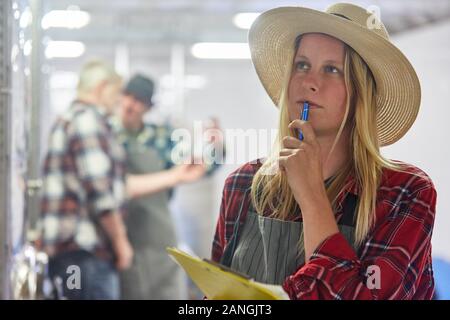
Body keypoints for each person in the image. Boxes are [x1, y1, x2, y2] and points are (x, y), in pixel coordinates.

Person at [211, 3, 437, 300]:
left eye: (332, 69)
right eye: (301, 65)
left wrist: (312, 196)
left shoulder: (403, 193)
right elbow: (218, 294)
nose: (310, 82)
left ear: (361, 94)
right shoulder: (243, 184)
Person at [114, 74, 224, 299]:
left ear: (148, 107)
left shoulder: (161, 138)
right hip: (119, 238)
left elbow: (198, 168)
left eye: (139, 101)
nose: (130, 105)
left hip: (157, 238)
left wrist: (216, 148)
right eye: (128, 97)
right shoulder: (107, 135)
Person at [40, 60, 133, 299]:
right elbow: (100, 192)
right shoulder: (87, 121)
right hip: (85, 253)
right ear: (102, 87)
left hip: (71, 255)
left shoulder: (69, 119)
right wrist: (121, 242)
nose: (118, 101)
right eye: (117, 93)